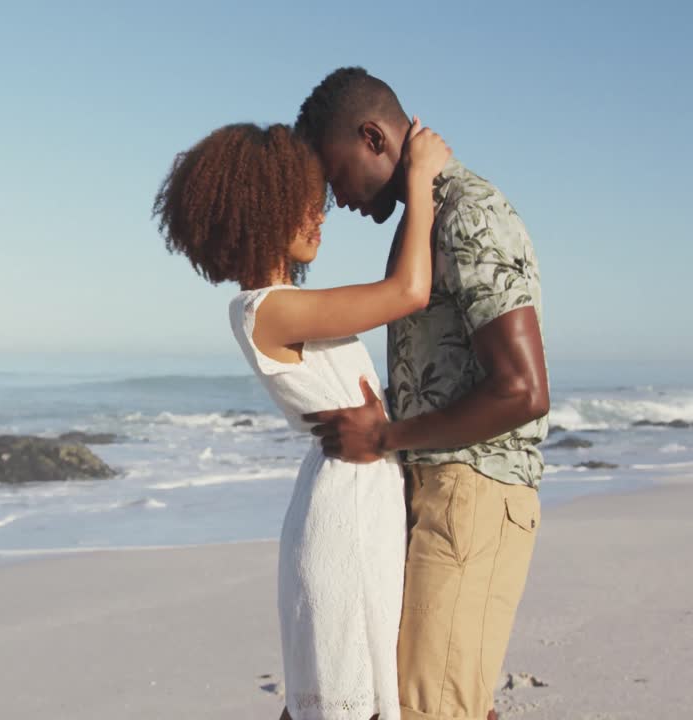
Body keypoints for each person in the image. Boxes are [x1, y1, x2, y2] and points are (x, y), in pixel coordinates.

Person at [154, 119, 451, 720]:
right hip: (343, 514)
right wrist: (419, 177)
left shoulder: (288, 306)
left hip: (359, 499)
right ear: (254, 213)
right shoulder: (265, 311)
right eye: (299, 206)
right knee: (345, 696)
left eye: (317, 204)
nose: (318, 218)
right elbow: (408, 292)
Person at [295, 67, 550, 720]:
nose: (333, 198)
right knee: (430, 702)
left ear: (373, 136)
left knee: (431, 708)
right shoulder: (424, 220)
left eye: (335, 172)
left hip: (474, 489)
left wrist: (384, 437)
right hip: (437, 488)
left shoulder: (469, 213)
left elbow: (523, 391)